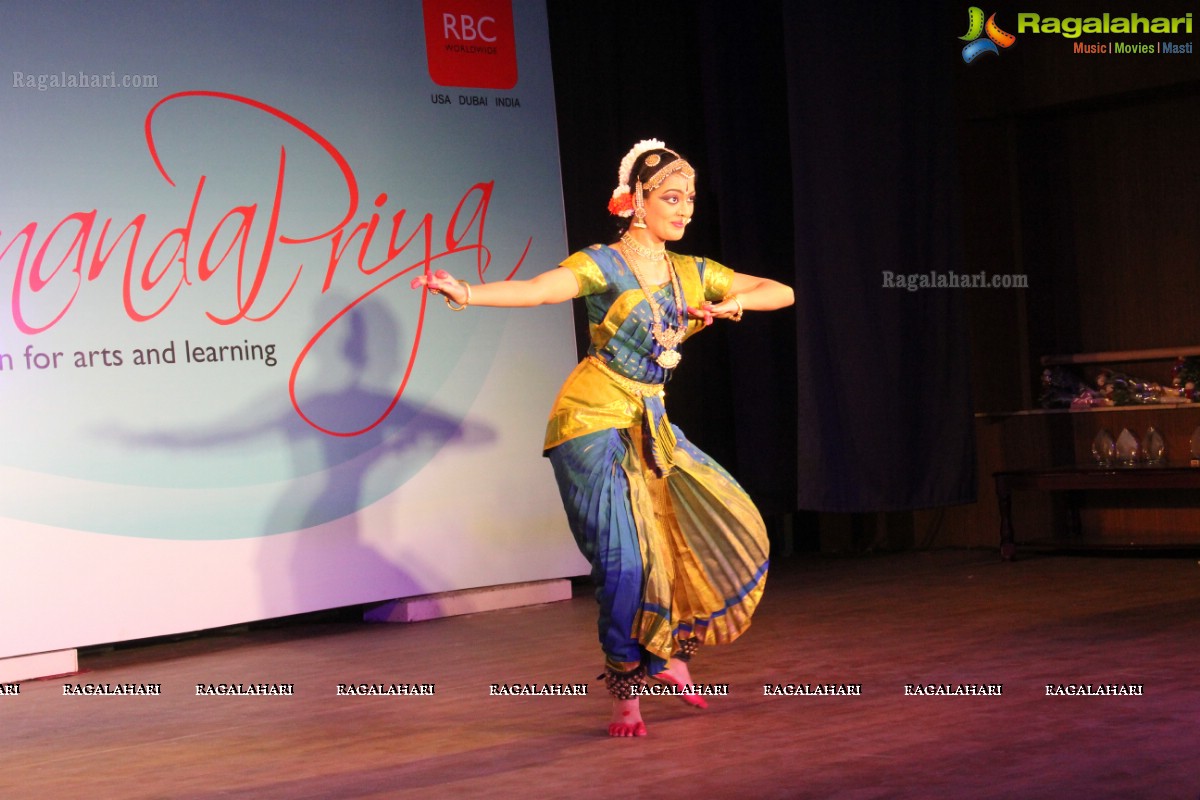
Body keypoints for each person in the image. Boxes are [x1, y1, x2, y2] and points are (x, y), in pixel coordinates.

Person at [412, 139, 794, 736]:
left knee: (700, 529)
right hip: (589, 422)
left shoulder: (693, 274)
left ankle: (666, 655)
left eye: (690, 198)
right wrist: (468, 292)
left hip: (651, 420)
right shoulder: (602, 264)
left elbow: (782, 290)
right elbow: (539, 289)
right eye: (671, 197)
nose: (685, 208)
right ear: (636, 201)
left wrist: (732, 305)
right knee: (622, 562)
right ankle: (625, 688)